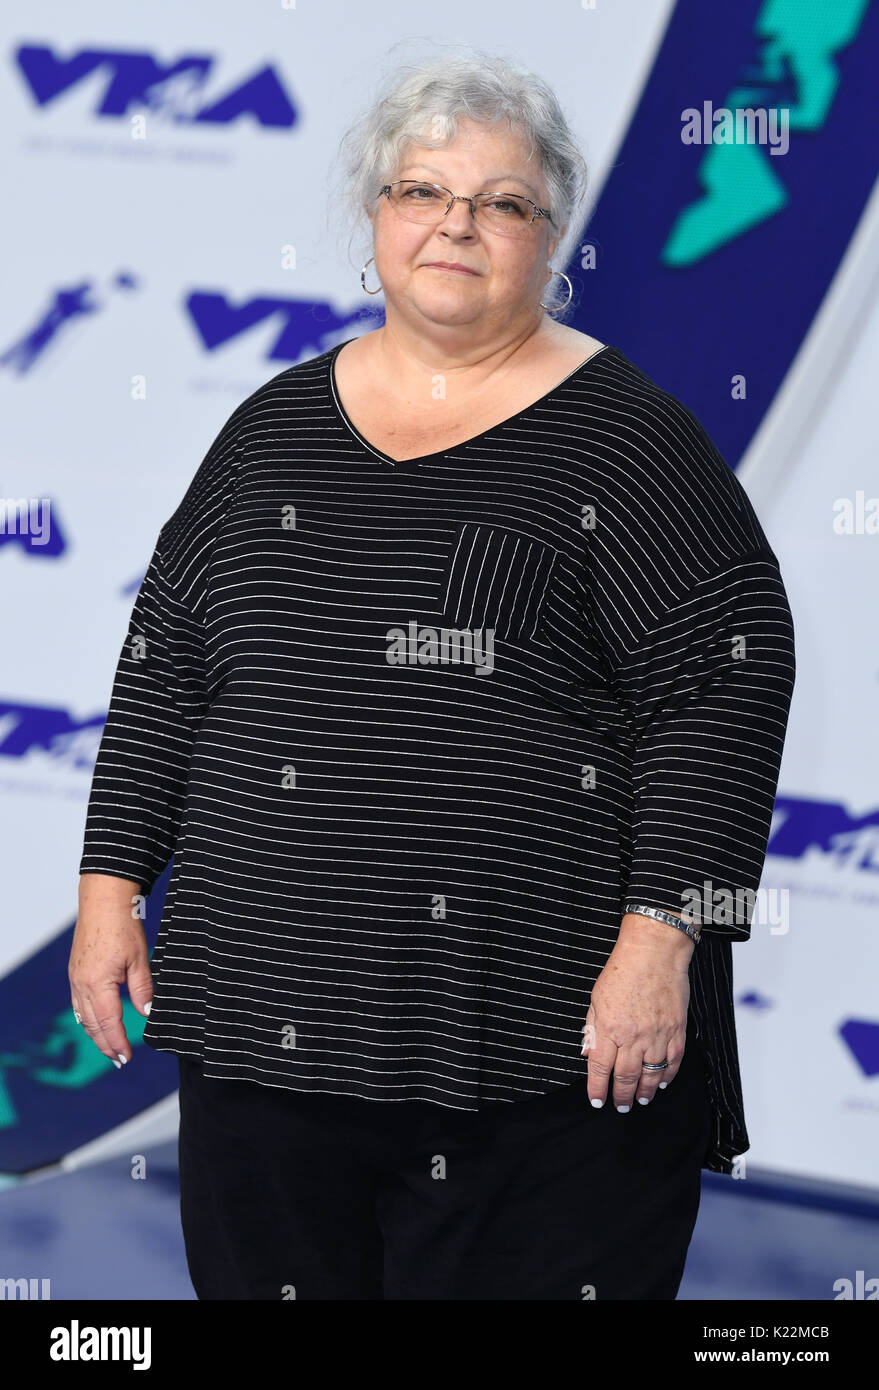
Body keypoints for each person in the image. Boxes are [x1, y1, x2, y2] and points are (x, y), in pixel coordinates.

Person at [70, 49, 796, 1300]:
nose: (457, 224)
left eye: (501, 202)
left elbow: (727, 691)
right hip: (265, 1033)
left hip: (534, 1053)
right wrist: (109, 885)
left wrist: (662, 944)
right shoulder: (272, 426)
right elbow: (167, 667)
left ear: (550, 235)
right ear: (375, 220)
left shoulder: (631, 439)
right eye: (423, 192)